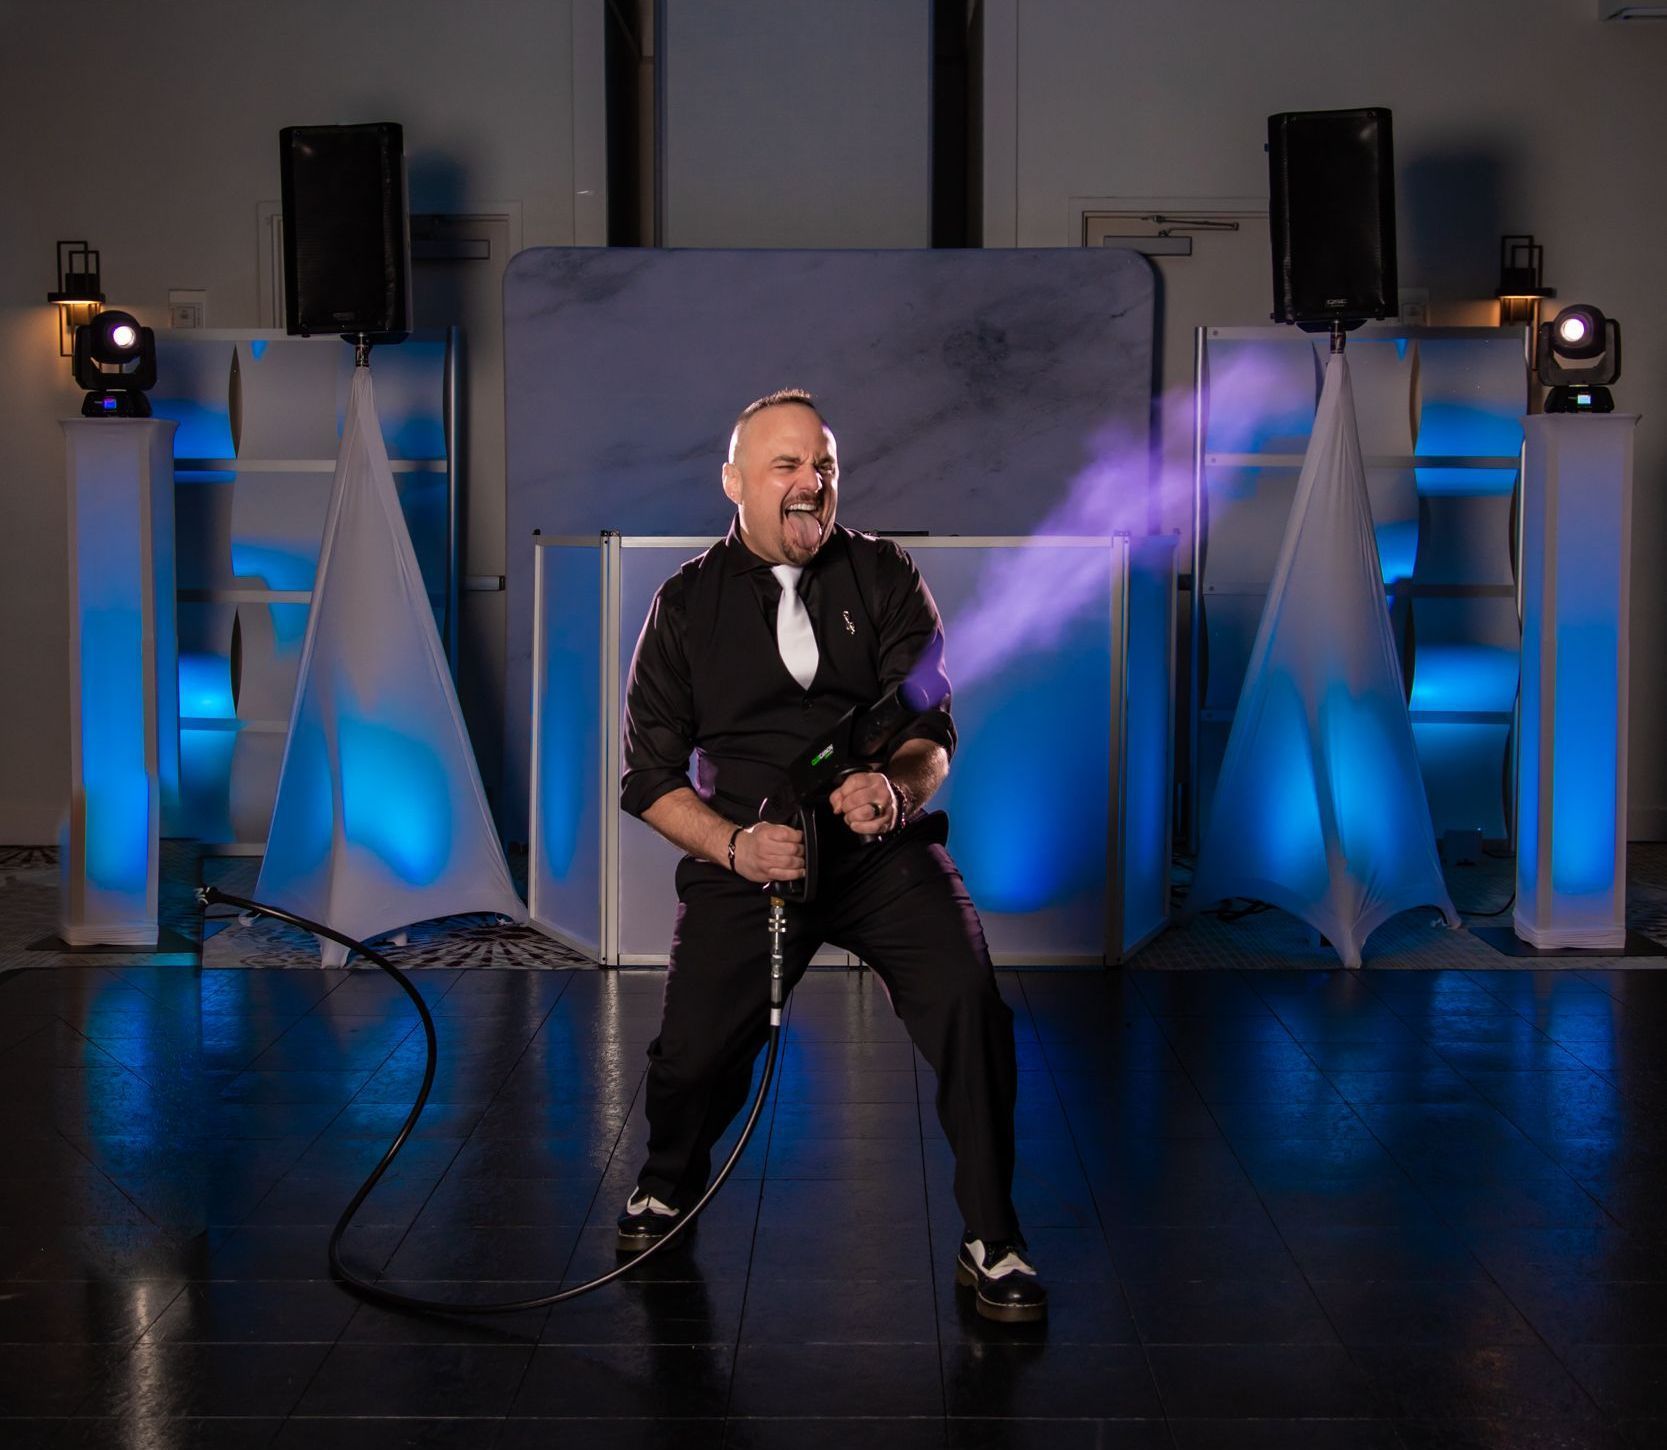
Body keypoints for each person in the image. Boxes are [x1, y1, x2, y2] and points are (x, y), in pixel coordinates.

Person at [616, 388, 1045, 1323]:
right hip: (751, 857)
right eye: (786, 465)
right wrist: (733, 846)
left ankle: (993, 1233)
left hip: (877, 852)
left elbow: (931, 728)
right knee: (690, 1057)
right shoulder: (684, 605)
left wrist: (896, 791)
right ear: (734, 482)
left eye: (824, 466)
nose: (810, 482)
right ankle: (664, 1183)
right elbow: (647, 779)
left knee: (969, 1005)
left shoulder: (883, 574)